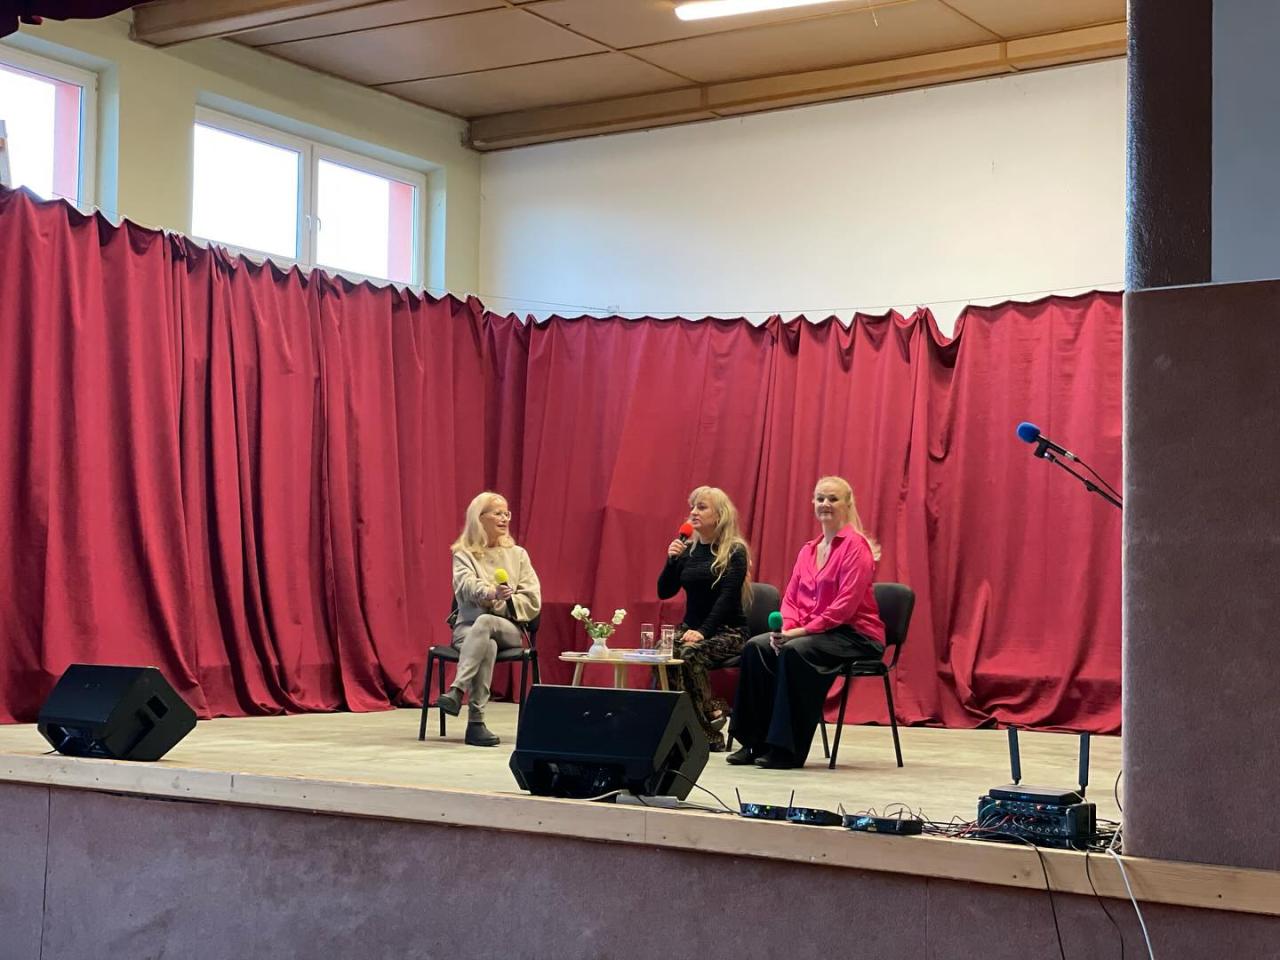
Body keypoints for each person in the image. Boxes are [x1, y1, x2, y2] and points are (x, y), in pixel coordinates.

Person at [727, 476, 884, 769]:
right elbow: (792, 599)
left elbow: (844, 608)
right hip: (812, 632)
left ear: (847, 504)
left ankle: (786, 750)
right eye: (820, 498)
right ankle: (753, 742)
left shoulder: (856, 547)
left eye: (833, 499)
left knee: (795, 652)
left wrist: (798, 633)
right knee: (757, 648)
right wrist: (784, 629)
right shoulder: (808, 550)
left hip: (854, 634)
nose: (825, 504)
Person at [442, 491, 541, 747]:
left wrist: (500, 602)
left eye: (507, 513)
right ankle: (475, 724)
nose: (505, 518)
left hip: (508, 627)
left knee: (485, 623)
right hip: (467, 629)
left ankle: (457, 689)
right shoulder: (463, 554)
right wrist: (490, 592)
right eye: (498, 513)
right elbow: (465, 587)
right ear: (480, 518)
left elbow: (532, 599)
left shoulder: (518, 555)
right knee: (487, 643)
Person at [657, 486, 752, 751]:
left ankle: (706, 735)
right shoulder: (688, 550)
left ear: (719, 515)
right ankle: (708, 710)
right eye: (692, 507)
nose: (693, 512)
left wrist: (703, 632)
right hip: (693, 628)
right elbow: (664, 591)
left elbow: (727, 598)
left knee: (689, 654)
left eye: (702, 507)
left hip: (728, 630)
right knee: (661, 653)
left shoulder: (734, 551)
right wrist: (671, 561)